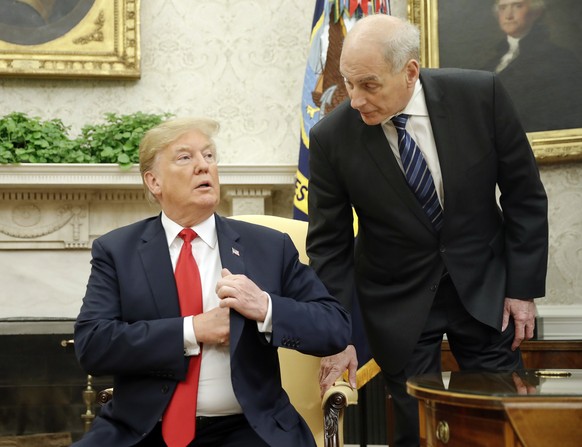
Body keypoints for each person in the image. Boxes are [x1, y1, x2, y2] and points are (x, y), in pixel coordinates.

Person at [307, 14, 548, 447]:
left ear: (410, 71)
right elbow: (330, 247)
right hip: (397, 299)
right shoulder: (331, 137)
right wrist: (338, 335)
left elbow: (524, 196)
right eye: (348, 82)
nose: (356, 99)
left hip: (484, 288)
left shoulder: (480, 95)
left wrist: (522, 289)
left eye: (369, 84)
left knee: (496, 421)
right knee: (414, 430)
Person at [73, 117, 351, 447]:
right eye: (185, 157)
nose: (203, 166)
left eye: (209, 156)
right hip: (144, 427)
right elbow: (93, 345)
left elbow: (335, 328)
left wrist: (266, 309)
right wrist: (193, 330)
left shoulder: (268, 247)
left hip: (247, 427)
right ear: (154, 181)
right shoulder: (118, 251)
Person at [482, 0, 582, 132]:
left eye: (517, 6)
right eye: (502, 8)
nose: (508, 15)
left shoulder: (558, 59)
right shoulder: (491, 63)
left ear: (536, 12)